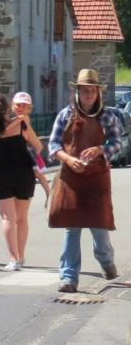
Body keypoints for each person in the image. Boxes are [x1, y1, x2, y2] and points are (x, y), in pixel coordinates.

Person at [47, 68, 128, 293]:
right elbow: (53, 145)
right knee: (71, 228)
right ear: (77, 92)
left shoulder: (107, 116)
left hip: (97, 181)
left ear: (98, 92)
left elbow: (119, 143)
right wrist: (67, 159)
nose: (88, 95)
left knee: (99, 227)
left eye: (92, 91)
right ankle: (68, 277)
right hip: (71, 178)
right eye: (84, 91)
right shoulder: (65, 115)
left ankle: (106, 262)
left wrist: (100, 149)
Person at [0, 92, 43, 271]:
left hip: (0, 175)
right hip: (23, 174)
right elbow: (38, 146)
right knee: (22, 218)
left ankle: (13, 259)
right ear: (8, 108)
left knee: (8, 218)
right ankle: (21, 256)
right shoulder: (22, 124)